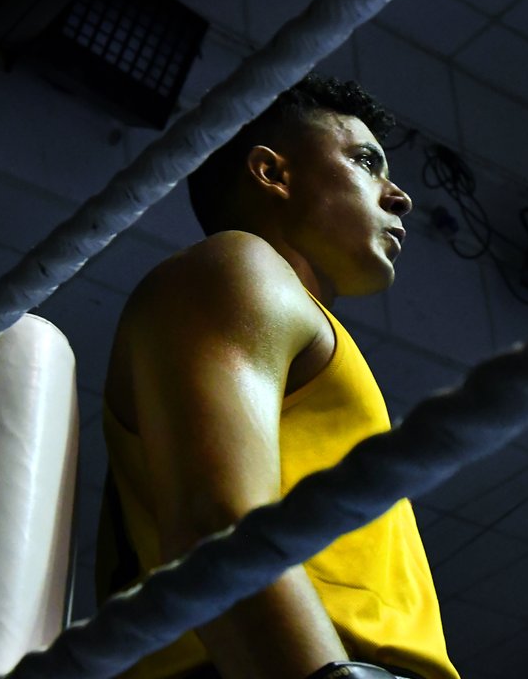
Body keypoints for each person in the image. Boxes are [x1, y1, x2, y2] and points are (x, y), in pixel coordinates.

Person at [95, 73, 460, 679]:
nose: (400, 197)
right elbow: (218, 522)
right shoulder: (237, 266)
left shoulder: (296, 318)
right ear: (272, 173)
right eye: (366, 161)